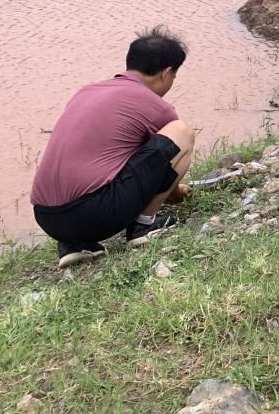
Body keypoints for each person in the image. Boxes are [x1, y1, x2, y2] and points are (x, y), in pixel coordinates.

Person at [30, 27, 197, 269]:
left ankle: (75, 245)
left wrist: (174, 189)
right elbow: (166, 161)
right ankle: (143, 225)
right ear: (166, 73)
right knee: (181, 132)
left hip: (46, 217)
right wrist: (174, 193)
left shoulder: (87, 91)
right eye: (174, 76)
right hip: (94, 212)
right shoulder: (157, 107)